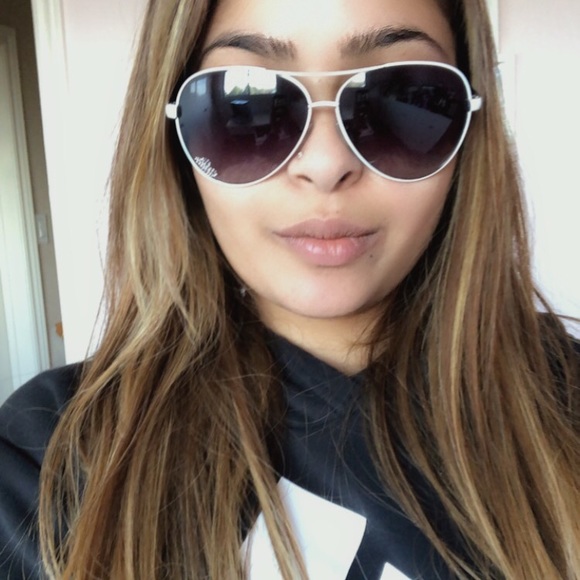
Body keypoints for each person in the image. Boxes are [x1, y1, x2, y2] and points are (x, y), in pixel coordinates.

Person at [1, 0, 579, 577]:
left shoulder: (566, 405)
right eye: (246, 104)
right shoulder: (48, 463)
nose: (325, 165)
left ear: (470, 126)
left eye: (397, 96)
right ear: (175, 140)